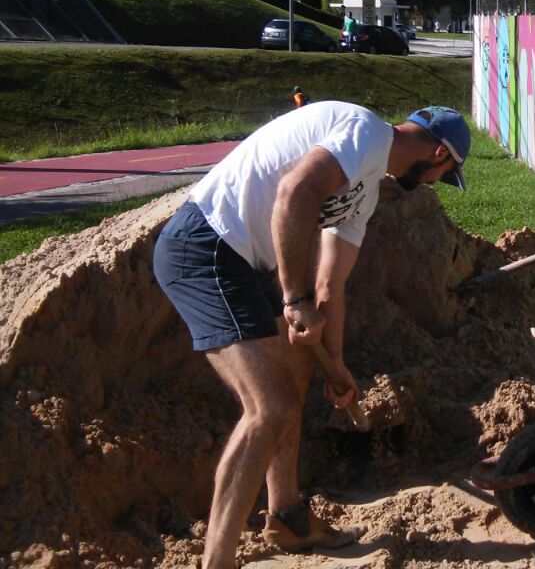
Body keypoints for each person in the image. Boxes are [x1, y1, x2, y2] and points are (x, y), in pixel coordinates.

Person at [152, 102, 469, 567]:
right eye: (442, 176)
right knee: (270, 406)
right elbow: (294, 193)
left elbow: (330, 284)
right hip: (206, 247)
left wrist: (335, 365)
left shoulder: (365, 190)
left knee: (299, 372)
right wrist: (294, 300)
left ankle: (287, 519)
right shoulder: (364, 133)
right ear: (440, 155)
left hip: (245, 263)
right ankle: (216, 561)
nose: (433, 183)